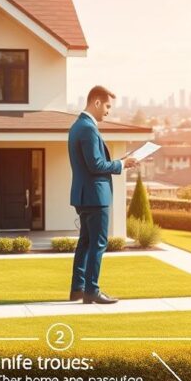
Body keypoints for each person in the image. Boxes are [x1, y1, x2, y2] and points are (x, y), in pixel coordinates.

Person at [67, 85, 138, 304]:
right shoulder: (88, 128)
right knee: (97, 244)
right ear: (96, 102)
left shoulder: (78, 126)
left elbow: (94, 162)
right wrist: (121, 165)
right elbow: (95, 165)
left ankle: (78, 289)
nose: (108, 111)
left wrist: (120, 162)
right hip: (95, 196)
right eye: (107, 106)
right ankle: (92, 291)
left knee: (85, 243)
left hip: (84, 195)